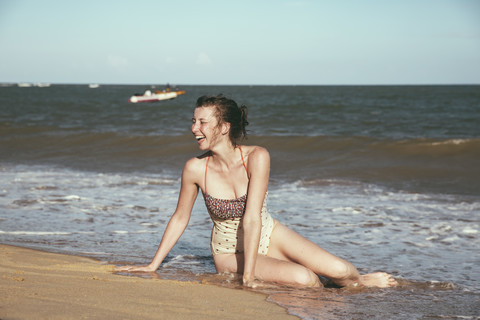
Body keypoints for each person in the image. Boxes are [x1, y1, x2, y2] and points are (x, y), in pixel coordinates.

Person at [115, 95, 398, 289]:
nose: (194, 128)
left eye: (202, 122)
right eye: (193, 121)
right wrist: (153, 265)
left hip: (268, 232)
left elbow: (252, 218)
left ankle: (357, 283)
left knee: (342, 271)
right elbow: (179, 218)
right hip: (228, 252)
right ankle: (325, 287)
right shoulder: (194, 169)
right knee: (306, 280)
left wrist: (249, 274)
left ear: (224, 127)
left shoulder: (256, 157)